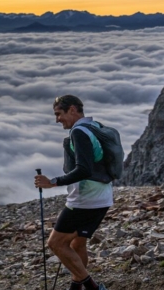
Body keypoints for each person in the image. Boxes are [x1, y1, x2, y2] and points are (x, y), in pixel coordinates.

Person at [35, 95, 112, 290]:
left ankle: (93, 288)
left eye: (58, 114)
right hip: (102, 196)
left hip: (84, 201)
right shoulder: (95, 127)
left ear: (71, 110)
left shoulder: (79, 132)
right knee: (77, 245)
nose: (57, 120)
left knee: (56, 244)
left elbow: (83, 170)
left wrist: (52, 182)